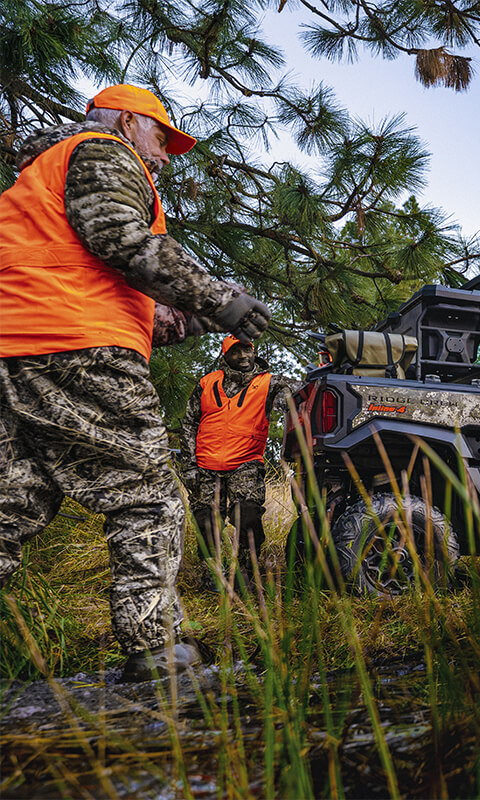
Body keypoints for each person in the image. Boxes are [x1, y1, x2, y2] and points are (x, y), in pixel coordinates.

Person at [0, 84, 271, 681]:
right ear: (127, 121)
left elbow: (107, 282)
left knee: (12, 503)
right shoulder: (101, 150)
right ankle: (156, 651)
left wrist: (195, 315)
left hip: (19, 348)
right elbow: (121, 240)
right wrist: (219, 297)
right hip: (76, 345)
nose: (167, 156)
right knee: (147, 495)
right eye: (162, 138)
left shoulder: (42, 176)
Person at [181, 335, 293, 591]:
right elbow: (189, 424)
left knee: (248, 515)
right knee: (206, 520)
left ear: (253, 352)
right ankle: (212, 574)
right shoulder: (207, 383)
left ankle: (244, 572)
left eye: (246, 350)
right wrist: (188, 465)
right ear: (225, 357)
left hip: (246, 463)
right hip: (205, 464)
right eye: (235, 352)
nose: (242, 356)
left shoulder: (270, 383)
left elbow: (295, 398)